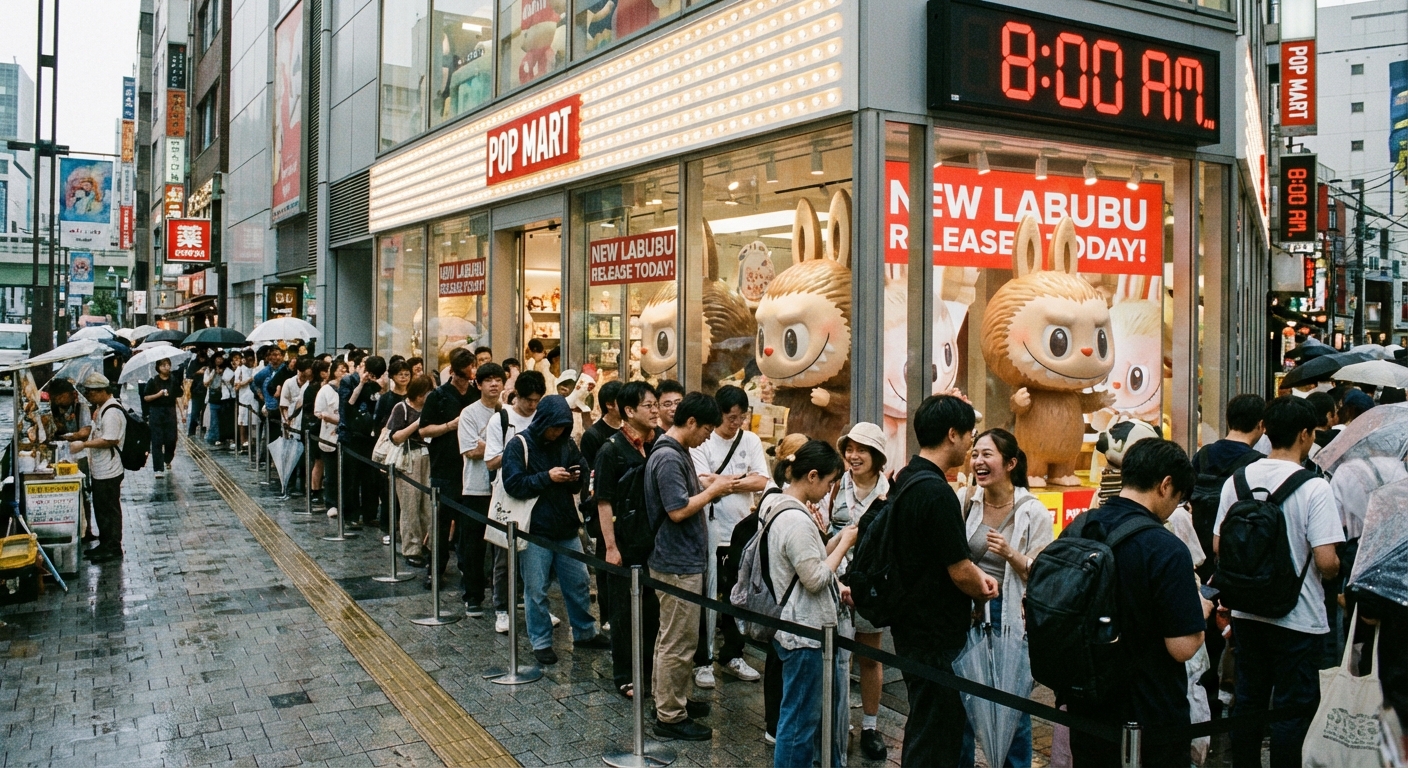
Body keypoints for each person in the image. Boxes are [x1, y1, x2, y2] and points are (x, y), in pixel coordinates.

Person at [1215, 396, 1344, 768]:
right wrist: (1334, 565)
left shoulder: (1236, 481)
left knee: (1249, 702)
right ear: (1305, 434)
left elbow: (1219, 545)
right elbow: (1326, 562)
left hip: (1247, 613)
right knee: (1291, 711)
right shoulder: (1315, 487)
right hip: (1299, 619)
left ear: (1266, 431)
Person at [1065, 438, 1208, 767]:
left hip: (1086, 704)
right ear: (1166, 485)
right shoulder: (1165, 547)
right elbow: (1182, 647)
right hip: (1148, 713)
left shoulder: (1080, 526)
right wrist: (1199, 611)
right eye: (1178, 498)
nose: (1175, 507)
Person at [887, 394, 999, 767]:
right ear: (953, 434)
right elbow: (960, 569)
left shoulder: (907, 478)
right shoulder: (936, 492)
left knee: (926, 723)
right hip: (935, 633)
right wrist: (984, 587)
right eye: (970, 435)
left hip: (911, 624)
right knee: (936, 731)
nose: (971, 444)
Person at [958, 428, 1052, 768]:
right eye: (976, 454)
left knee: (1013, 706)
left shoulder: (1034, 512)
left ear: (1010, 463)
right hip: (969, 611)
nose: (978, 462)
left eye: (987, 455)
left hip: (1010, 616)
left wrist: (1010, 553)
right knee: (965, 701)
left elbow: (1042, 575)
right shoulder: (967, 499)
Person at [645, 392, 732, 741]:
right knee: (678, 642)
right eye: (707, 429)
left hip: (679, 559)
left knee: (672, 638)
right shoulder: (668, 456)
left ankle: (669, 699)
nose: (708, 437)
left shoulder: (673, 451)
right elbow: (677, 509)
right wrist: (714, 491)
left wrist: (708, 485)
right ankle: (669, 715)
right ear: (691, 422)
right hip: (676, 562)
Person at [501, 393, 611, 664]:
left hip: (566, 526)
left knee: (579, 582)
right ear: (542, 421)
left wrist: (574, 477)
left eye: (562, 427)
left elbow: (583, 472)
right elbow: (512, 483)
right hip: (534, 528)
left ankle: (585, 631)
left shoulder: (566, 443)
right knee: (536, 589)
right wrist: (547, 477)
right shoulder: (519, 445)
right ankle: (541, 641)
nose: (557, 432)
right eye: (554, 426)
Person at [765, 439, 854, 768]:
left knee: (798, 717)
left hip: (795, 626)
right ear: (813, 476)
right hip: (803, 630)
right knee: (799, 722)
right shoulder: (797, 520)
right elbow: (814, 578)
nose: (830, 490)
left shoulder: (780, 506)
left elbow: (808, 563)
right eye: (830, 482)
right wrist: (844, 543)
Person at [689, 384, 767, 687]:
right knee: (708, 594)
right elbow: (702, 482)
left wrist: (724, 482)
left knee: (738, 593)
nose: (736, 424)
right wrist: (741, 480)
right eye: (731, 418)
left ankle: (733, 653)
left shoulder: (751, 440)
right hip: (711, 529)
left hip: (742, 529)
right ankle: (703, 659)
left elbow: (763, 479)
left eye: (741, 418)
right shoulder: (702, 442)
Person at [594, 381, 662, 697]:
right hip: (623, 541)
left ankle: (649, 673)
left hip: (653, 542)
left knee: (652, 612)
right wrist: (610, 546)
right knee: (623, 612)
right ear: (629, 411)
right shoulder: (611, 449)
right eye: (649, 405)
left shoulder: (659, 443)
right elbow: (603, 500)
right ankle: (625, 675)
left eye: (656, 404)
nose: (655, 410)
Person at [827, 422, 890, 760]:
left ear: (877, 455)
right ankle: (840, 722)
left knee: (869, 656)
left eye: (861, 450)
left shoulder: (889, 492)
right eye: (849, 449)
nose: (853, 456)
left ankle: (869, 725)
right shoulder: (835, 486)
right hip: (835, 581)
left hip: (869, 584)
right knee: (838, 655)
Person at [419, 348, 483, 597]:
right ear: (456, 372)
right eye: (469, 368)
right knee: (441, 524)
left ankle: (469, 572)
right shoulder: (439, 396)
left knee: (469, 525)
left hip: (471, 468)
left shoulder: (477, 395)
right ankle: (435, 569)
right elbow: (424, 431)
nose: (472, 373)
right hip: (444, 466)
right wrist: (449, 426)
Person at [485, 370, 547, 632]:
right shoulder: (501, 419)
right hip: (510, 492)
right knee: (504, 554)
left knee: (538, 556)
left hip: (539, 492)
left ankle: (537, 607)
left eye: (537, 401)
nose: (532, 406)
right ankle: (502, 608)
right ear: (516, 396)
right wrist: (516, 450)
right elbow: (490, 460)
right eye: (528, 400)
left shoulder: (542, 417)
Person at [457, 362, 507, 616]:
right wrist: (498, 447)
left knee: (504, 545)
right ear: (478, 384)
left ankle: (506, 594)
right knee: (473, 545)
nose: (494, 384)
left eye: (498, 379)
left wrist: (487, 445)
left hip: (504, 488)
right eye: (488, 380)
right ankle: (473, 595)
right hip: (476, 487)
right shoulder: (469, 413)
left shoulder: (508, 412)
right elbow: (470, 450)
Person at [72, 373, 126, 564]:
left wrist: (84, 445)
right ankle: (105, 544)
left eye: (92, 393)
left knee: (108, 508)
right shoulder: (102, 408)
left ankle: (113, 547)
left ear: (103, 391)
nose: (89, 396)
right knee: (101, 508)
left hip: (109, 469)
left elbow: (110, 439)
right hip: (101, 468)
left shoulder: (112, 411)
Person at [388, 374, 435, 566]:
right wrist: (418, 423)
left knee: (428, 504)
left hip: (429, 457)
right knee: (410, 504)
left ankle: (429, 544)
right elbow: (395, 437)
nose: (428, 397)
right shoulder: (401, 408)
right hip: (408, 459)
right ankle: (411, 549)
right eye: (425, 393)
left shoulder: (432, 407)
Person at [338, 354, 386, 528]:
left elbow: (377, 407)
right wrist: (361, 384)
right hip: (351, 435)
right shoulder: (348, 381)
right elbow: (348, 404)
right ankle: (350, 515)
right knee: (351, 478)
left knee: (371, 479)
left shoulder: (376, 383)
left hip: (370, 436)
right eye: (371, 373)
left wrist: (381, 388)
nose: (373, 377)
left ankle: (369, 514)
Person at [315, 359, 347, 516]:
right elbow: (318, 411)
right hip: (329, 436)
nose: (344, 373)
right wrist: (328, 417)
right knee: (331, 471)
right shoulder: (325, 390)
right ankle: (331, 502)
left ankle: (345, 502)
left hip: (346, 437)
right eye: (341, 370)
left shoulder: (349, 388)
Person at [142, 359, 180, 477]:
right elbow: (146, 398)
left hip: (170, 411)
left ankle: (167, 458)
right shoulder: (153, 381)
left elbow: (179, 395)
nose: (166, 367)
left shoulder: (174, 380)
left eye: (168, 365)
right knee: (157, 440)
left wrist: (182, 414)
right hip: (156, 412)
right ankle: (158, 468)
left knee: (171, 439)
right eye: (163, 365)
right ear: (158, 367)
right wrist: (158, 394)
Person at [303, 360, 330, 506]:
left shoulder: (320, 387)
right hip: (316, 428)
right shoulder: (315, 388)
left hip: (320, 428)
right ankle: (315, 490)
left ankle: (317, 488)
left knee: (319, 461)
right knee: (318, 461)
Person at [204, 353, 235, 448]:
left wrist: (222, 374)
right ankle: (215, 438)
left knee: (225, 419)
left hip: (225, 398)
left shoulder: (228, 370)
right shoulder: (209, 370)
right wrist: (213, 374)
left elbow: (231, 382)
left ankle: (224, 437)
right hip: (213, 397)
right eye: (217, 358)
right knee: (214, 419)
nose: (219, 360)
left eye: (221, 358)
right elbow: (205, 383)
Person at [234, 350, 258, 450]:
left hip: (254, 398)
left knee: (254, 420)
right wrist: (249, 380)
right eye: (248, 359)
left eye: (252, 359)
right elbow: (236, 385)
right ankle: (243, 441)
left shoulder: (256, 369)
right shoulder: (239, 370)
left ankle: (253, 440)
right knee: (243, 421)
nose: (250, 361)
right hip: (243, 399)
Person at [186, 350, 209, 437]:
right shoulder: (193, 363)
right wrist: (198, 372)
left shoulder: (209, 362)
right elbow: (188, 375)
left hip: (206, 391)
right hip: (196, 391)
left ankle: (203, 429)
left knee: (205, 412)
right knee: (195, 412)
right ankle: (191, 431)